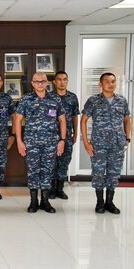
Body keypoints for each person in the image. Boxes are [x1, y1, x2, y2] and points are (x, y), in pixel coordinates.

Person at [14, 72, 66, 213]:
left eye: (43, 81)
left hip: (51, 142)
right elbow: (17, 120)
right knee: (33, 171)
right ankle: (33, 201)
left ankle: (45, 201)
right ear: (32, 83)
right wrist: (19, 141)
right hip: (32, 142)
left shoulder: (55, 99)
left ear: (47, 82)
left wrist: (62, 140)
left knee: (48, 171)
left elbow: (62, 120)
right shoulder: (26, 99)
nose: (40, 83)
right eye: (37, 81)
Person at [81, 73, 130, 214]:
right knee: (98, 173)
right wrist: (86, 142)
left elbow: (127, 119)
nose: (111, 84)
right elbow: (83, 121)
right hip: (99, 144)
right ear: (100, 84)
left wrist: (127, 138)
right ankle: (100, 202)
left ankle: (110, 202)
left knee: (114, 173)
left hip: (117, 143)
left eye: (113, 81)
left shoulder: (122, 100)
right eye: (107, 81)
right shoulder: (94, 101)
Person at [50, 71, 80, 200]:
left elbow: (75, 117)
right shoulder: (49, 97)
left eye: (64, 79)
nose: (62, 82)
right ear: (54, 82)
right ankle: (50, 189)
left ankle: (60, 189)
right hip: (51, 135)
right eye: (59, 79)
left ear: (67, 81)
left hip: (67, 135)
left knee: (64, 162)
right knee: (51, 162)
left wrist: (75, 133)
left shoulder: (72, 97)